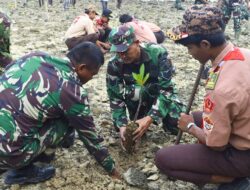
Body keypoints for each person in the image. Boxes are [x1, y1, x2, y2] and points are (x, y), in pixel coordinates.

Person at [156, 5, 250, 189]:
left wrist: (190, 127)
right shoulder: (243, 54)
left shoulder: (222, 89)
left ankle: (230, 179)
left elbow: (217, 146)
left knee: (164, 159)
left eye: (190, 47)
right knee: (200, 116)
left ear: (205, 44)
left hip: (243, 155)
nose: (189, 53)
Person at [0, 42, 120, 185]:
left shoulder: (35, 56)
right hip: (9, 154)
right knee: (66, 120)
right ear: (81, 68)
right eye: (92, 74)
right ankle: (27, 169)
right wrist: (112, 169)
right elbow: (90, 136)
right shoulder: (72, 91)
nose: (91, 78)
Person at [106, 25, 185, 145]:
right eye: (118, 52)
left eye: (125, 51)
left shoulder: (158, 53)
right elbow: (115, 97)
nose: (122, 56)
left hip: (159, 96)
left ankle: (155, 119)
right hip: (136, 101)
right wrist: (121, 125)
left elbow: (166, 90)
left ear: (137, 43)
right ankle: (137, 119)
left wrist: (150, 118)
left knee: (176, 124)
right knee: (129, 127)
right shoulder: (114, 64)